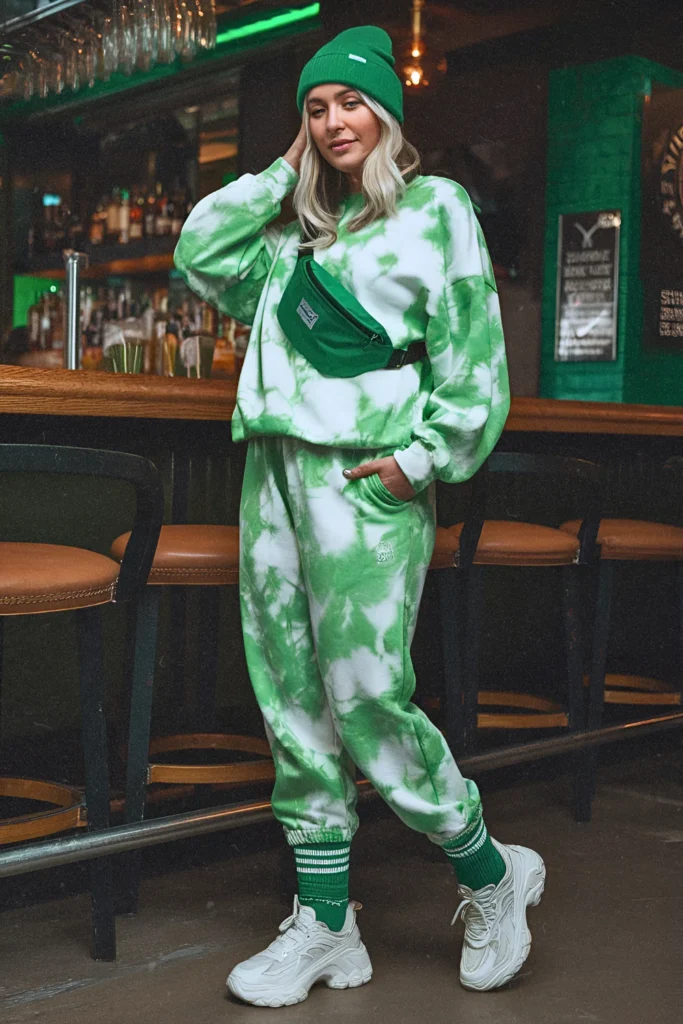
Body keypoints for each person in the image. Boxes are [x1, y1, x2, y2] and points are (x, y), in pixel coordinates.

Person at [175, 25, 544, 1008]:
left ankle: (489, 875)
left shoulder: (436, 210)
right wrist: (281, 169)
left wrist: (416, 464)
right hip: (271, 483)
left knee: (366, 697)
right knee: (290, 703)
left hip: (363, 485)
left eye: (349, 101)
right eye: (315, 106)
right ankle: (326, 926)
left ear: (386, 110)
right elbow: (197, 249)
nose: (334, 119)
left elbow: (471, 366)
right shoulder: (292, 236)